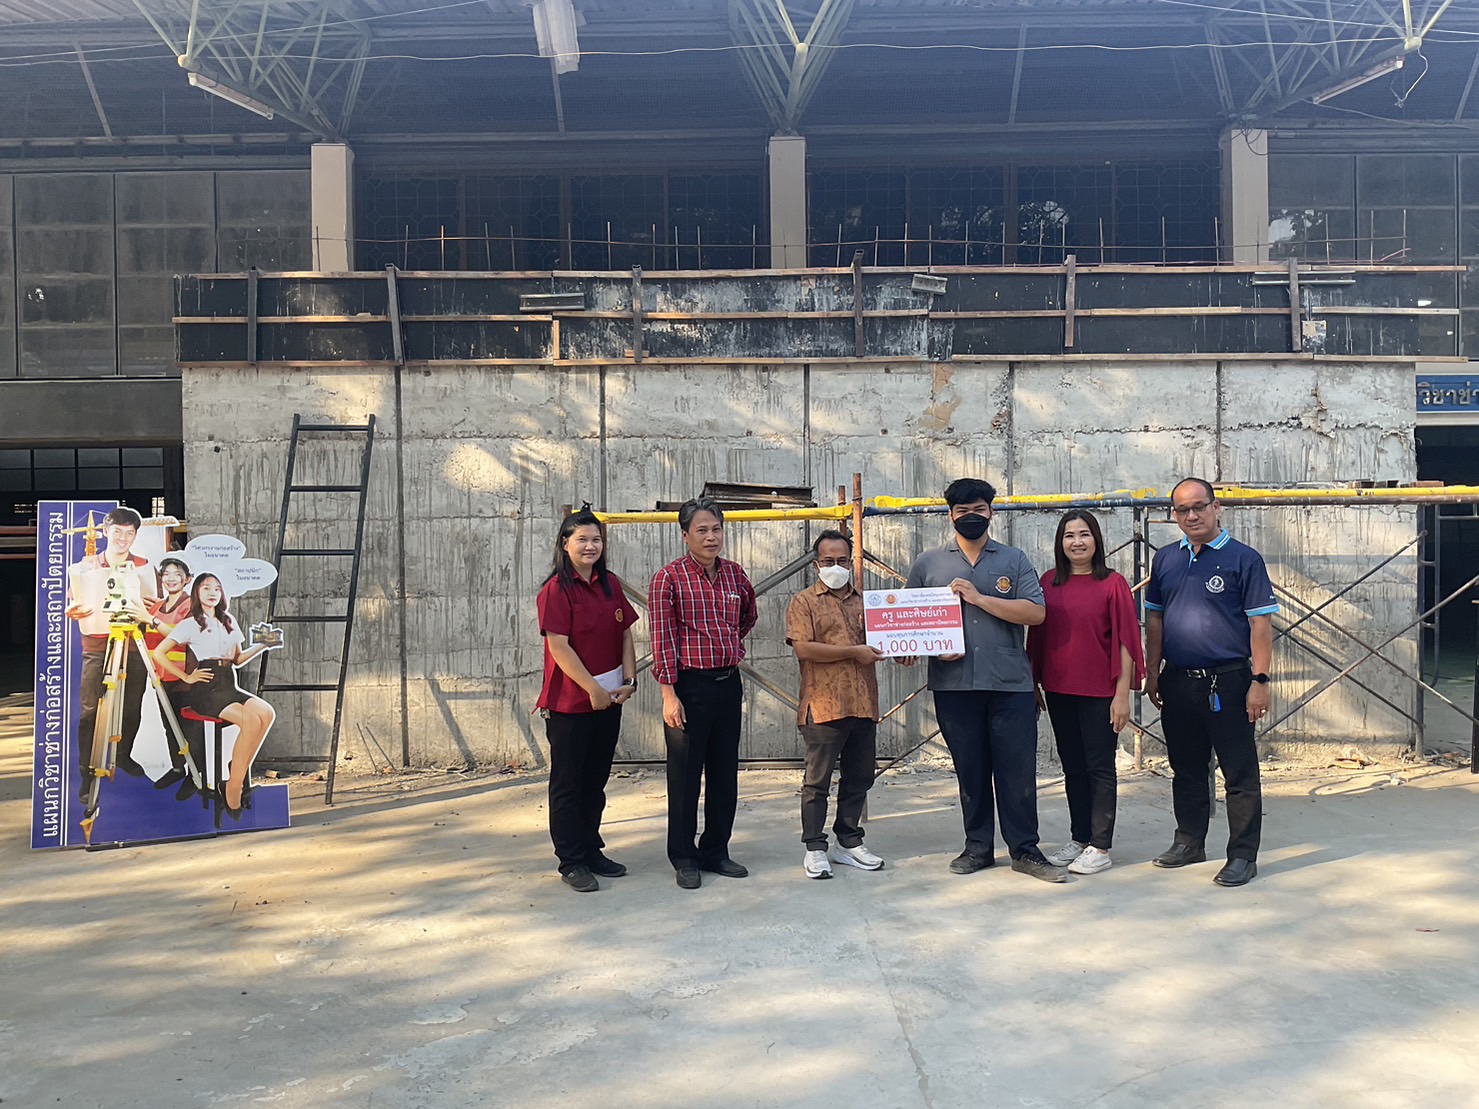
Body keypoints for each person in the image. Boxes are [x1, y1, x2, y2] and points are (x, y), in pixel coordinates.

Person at [905, 478, 1063, 883]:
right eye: (963, 511)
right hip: (954, 684)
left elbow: (1036, 613)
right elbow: (911, 621)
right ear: (950, 515)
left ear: (991, 512)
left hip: (1009, 684)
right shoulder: (928, 564)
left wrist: (978, 598)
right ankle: (977, 847)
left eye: (979, 509)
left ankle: (1025, 850)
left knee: (1017, 771)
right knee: (970, 770)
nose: (971, 517)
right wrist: (924, 648)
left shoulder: (1014, 559)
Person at [1144, 478, 1278, 888]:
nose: (1192, 516)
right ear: (1174, 515)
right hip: (1178, 681)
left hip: (1230, 682)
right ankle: (1189, 842)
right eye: (1182, 510)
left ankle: (1242, 856)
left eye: (1199, 507)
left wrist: (1260, 680)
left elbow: (1260, 625)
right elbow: (1154, 619)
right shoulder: (1166, 559)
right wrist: (1153, 671)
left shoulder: (1243, 559)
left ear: (1216, 508)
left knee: (1239, 773)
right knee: (1185, 768)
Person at [1027, 511, 1145, 876]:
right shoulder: (1048, 582)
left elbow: (1126, 641)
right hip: (1059, 689)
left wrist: (1122, 695)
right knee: (1073, 767)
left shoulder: (1113, 583)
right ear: (1060, 543)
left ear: (1096, 540)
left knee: (1099, 767)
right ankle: (1079, 838)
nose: (1077, 542)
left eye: (1084, 534)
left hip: (1100, 692)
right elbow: (1037, 636)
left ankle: (1100, 846)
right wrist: (1033, 681)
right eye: (1069, 535)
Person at [649, 496, 758, 890]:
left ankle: (716, 850)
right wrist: (669, 695)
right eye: (702, 531)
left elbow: (748, 616)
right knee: (685, 776)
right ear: (685, 536)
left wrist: (725, 645)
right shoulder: (668, 579)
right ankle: (684, 856)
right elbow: (662, 639)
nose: (711, 537)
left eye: (716, 529)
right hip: (688, 688)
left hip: (728, 684)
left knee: (724, 772)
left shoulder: (735, 575)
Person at [535, 509, 639, 893]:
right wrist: (591, 688)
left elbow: (625, 634)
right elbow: (559, 647)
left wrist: (629, 681)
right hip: (570, 705)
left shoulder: (610, 584)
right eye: (582, 539)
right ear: (565, 544)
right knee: (568, 785)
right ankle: (571, 860)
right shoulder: (556, 590)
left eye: (596, 539)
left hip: (609, 701)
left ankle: (592, 849)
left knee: (595, 782)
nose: (591, 546)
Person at [785, 530, 886, 880]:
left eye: (842, 560)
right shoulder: (804, 602)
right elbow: (804, 648)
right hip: (823, 705)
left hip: (863, 703)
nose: (836, 566)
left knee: (860, 776)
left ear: (851, 562)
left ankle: (849, 841)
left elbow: (885, 640)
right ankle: (815, 847)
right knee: (817, 781)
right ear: (816, 564)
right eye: (828, 561)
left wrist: (903, 649)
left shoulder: (868, 603)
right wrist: (853, 652)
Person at [150, 573, 277, 817]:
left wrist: (263, 645)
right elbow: (159, 653)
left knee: (266, 713)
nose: (212, 592)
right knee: (250, 721)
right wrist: (187, 677)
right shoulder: (190, 623)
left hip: (228, 684)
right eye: (206, 588)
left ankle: (237, 766)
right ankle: (232, 787)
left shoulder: (228, 621)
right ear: (197, 592)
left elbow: (237, 659)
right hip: (206, 690)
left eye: (217, 588)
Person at [65, 506, 158, 794]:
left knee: (131, 705)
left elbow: (155, 604)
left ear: (135, 535)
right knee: (91, 709)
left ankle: (123, 754)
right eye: (117, 532)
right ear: (106, 532)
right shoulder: (87, 565)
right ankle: (87, 770)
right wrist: (72, 608)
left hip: (132, 642)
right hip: (96, 643)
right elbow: (73, 599)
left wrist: (150, 609)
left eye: (129, 533)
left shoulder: (143, 565)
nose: (123, 538)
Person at [143, 556, 208, 800]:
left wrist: (150, 620)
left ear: (187, 579)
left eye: (177, 574)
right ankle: (178, 767)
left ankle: (196, 774)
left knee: (190, 728)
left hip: (184, 676)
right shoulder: (156, 606)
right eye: (166, 574)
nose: (171, 578)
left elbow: (181, 634)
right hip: (161, 676)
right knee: (169, 725)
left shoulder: (190, 605)